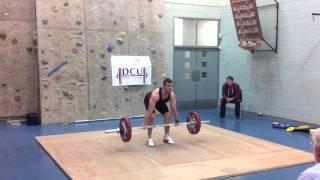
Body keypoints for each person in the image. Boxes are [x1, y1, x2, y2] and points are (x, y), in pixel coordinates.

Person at [143, 78, 180, 147]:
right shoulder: (155, 94)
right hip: (149, 99)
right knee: (152, 116)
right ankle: (149, 138)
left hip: (160, 102)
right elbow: (149, 111)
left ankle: (166, 136)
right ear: (164, 86)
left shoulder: (172, 95)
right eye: (168, 86)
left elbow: (174, 108)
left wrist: (177, 120)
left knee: (168, 115)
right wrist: (145, 123)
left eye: (171, 86)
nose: (170, 88)